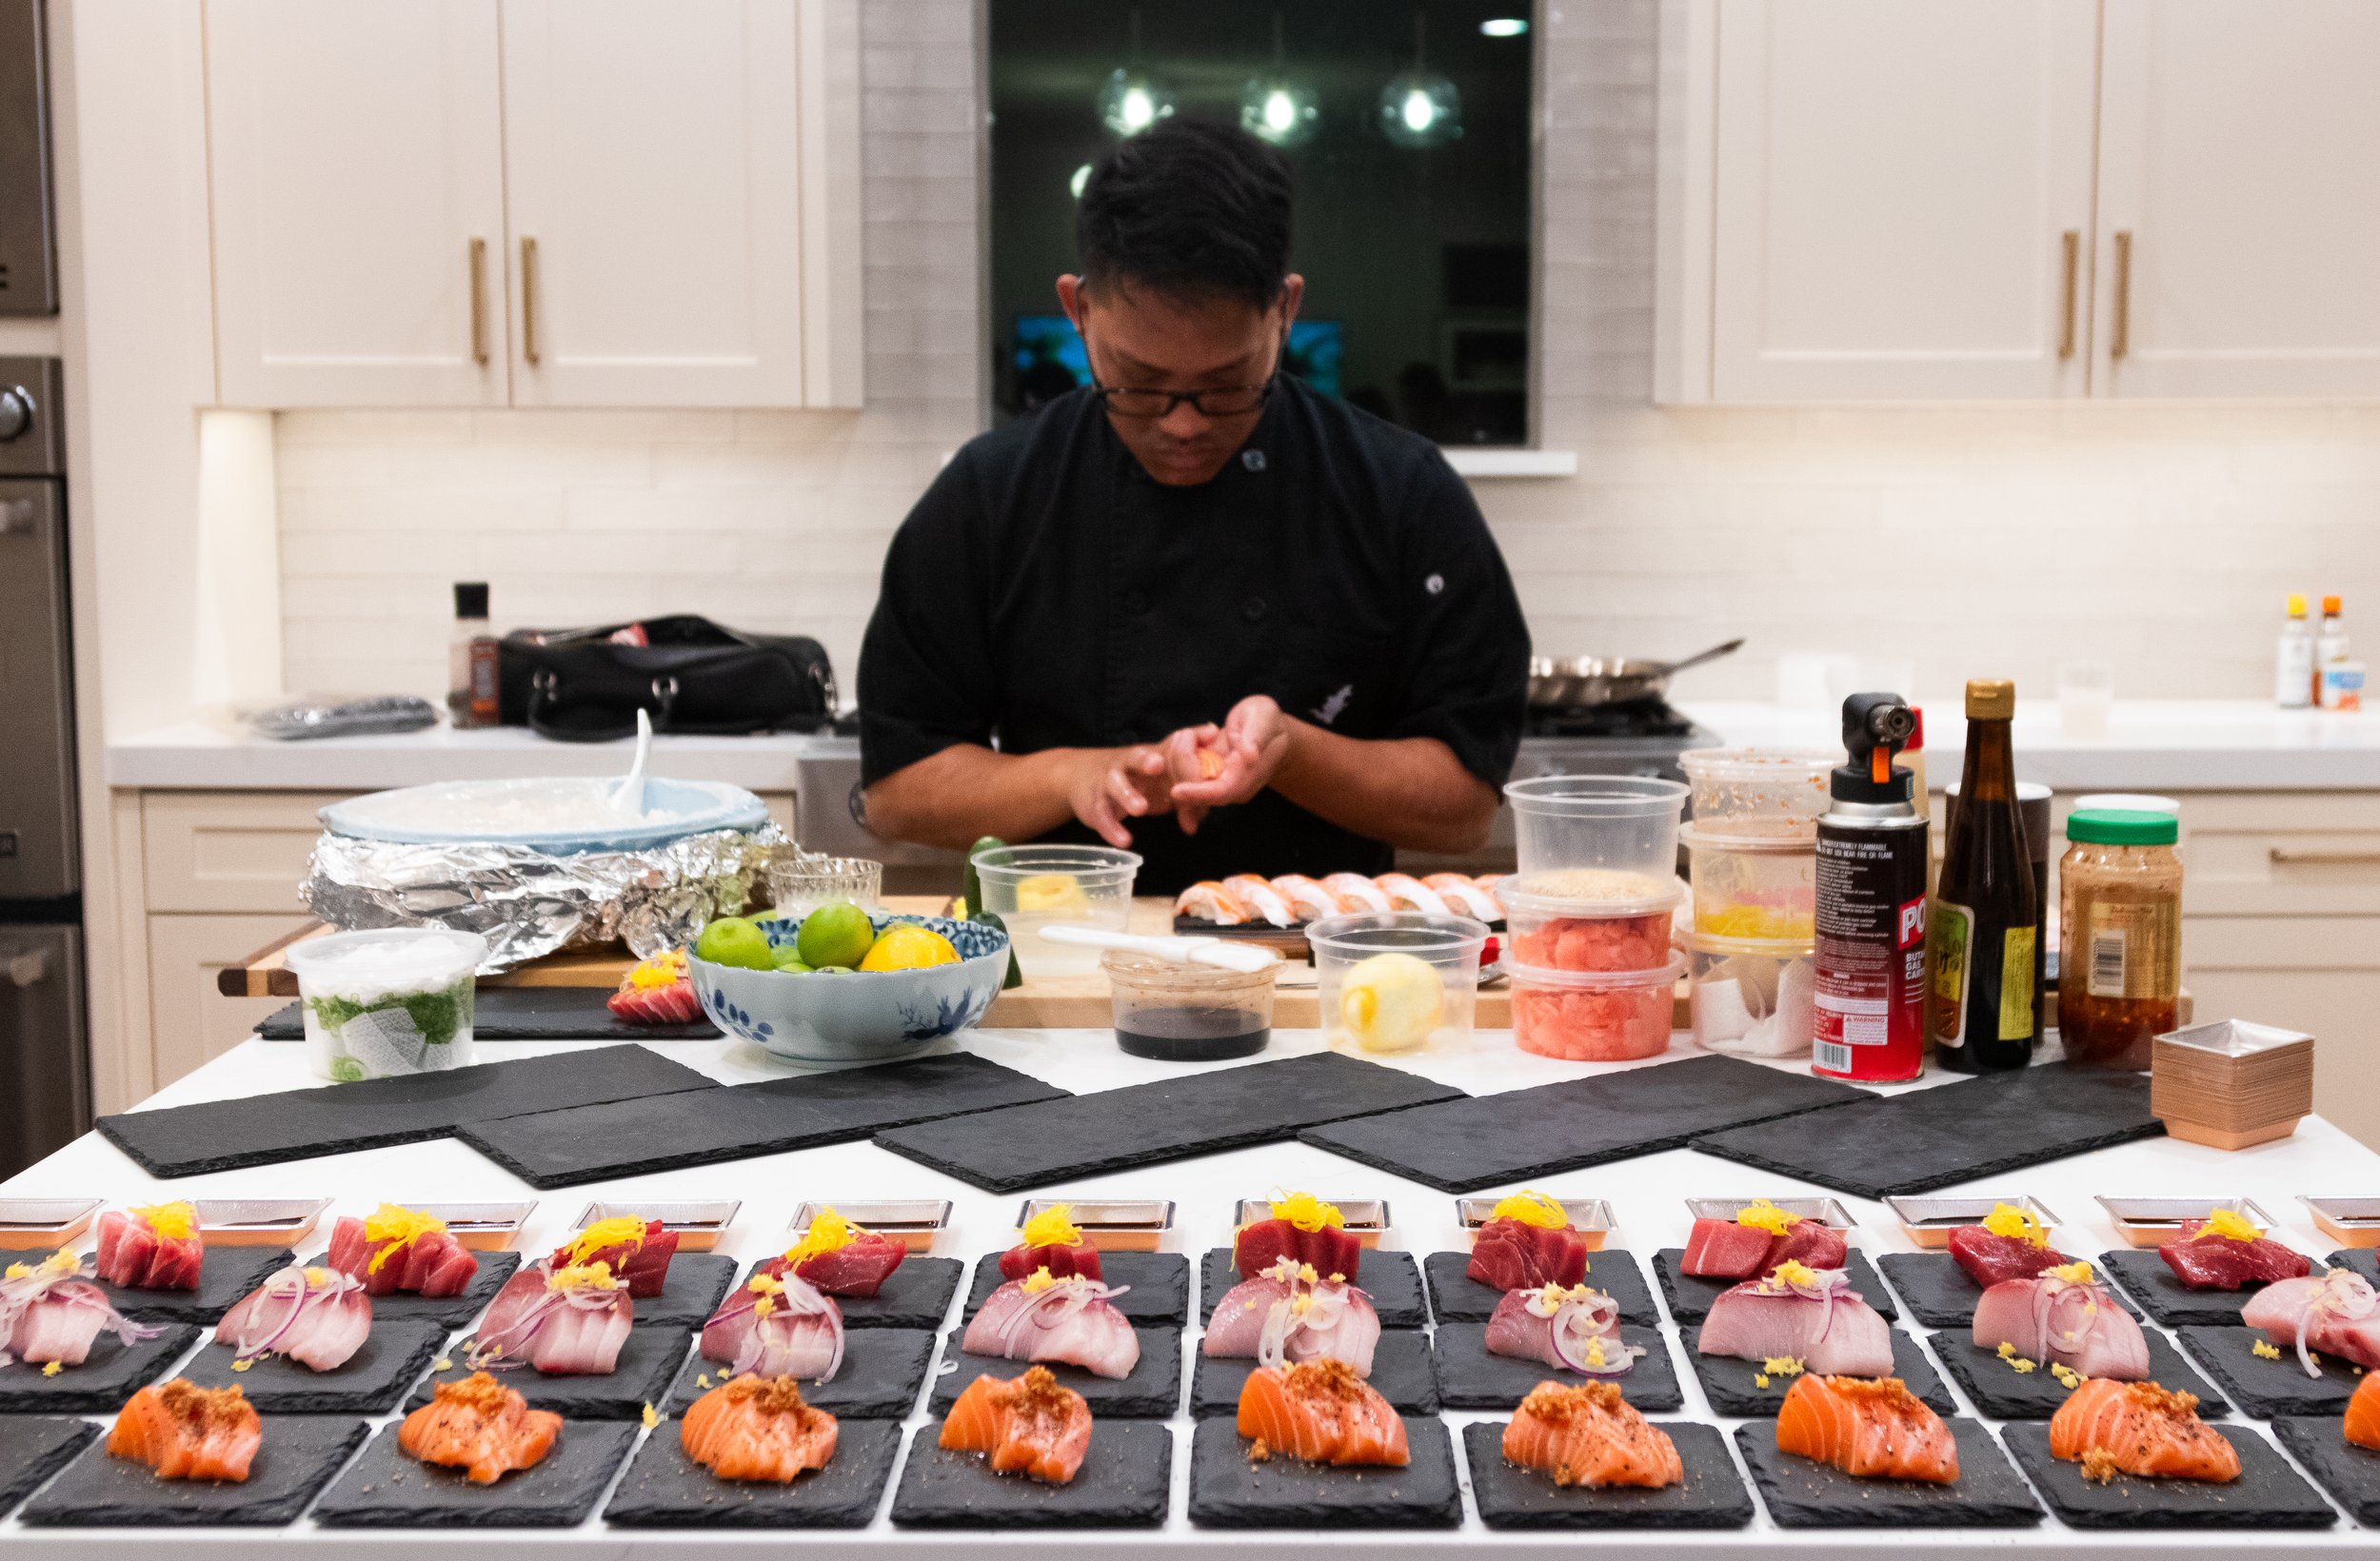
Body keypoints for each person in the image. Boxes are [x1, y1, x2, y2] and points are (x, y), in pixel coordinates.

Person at [857, 118, 1529, 895]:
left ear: (1285, 312)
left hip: (1321, 973)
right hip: (1060, 961)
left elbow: (1466, 808)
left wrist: (1293, 753)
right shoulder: (991, 495)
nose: (1182, 422)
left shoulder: (1400, 491)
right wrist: (1079, 774)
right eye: (1138, 381)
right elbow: (897, 790)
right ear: (1077, 311)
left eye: (1226, 385)